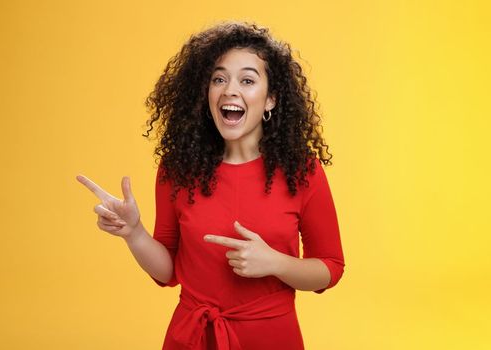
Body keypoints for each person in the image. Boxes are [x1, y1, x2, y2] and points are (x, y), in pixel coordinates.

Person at [76, 21, 345, 350]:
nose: (230, 89)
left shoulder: (302, 171)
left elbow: (331, 267)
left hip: (271, 338)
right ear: (207, 94)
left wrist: (275, 263)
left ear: (271, 99)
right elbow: (167, 272)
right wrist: (133, 232)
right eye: (219, 78)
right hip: (192, 337)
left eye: (247, 80)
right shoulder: (179, 170)